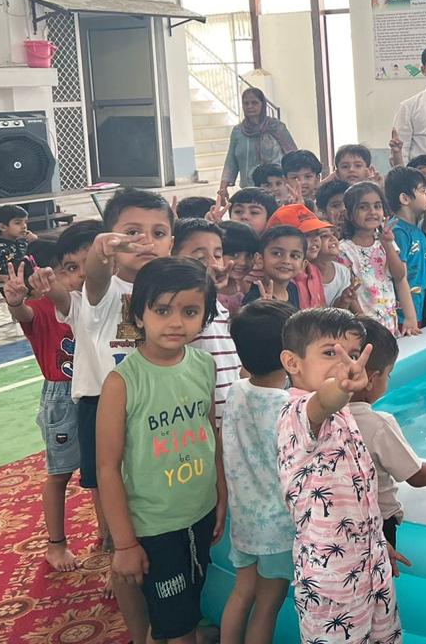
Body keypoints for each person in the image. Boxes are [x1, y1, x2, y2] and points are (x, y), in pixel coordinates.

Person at [96, 257, 226, 644]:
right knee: (176, 627)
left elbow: (210, 434)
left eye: (190, 311)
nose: (175, 322)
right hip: (154, 527)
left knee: (187, 608)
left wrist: (221, 494)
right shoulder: (122, 383)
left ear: (205, 316)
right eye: (162, 310)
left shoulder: (203, 365)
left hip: (200, 513)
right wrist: (124, 543)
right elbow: (107, 468)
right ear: (139, 314)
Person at [276, 309, 398, 643]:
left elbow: (356, 489)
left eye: (353, 355)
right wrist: (341, 388)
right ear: (292, 362)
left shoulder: (344, 413)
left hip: (371, 566)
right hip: (332, 582)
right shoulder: (297, 412)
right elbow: (323, 402)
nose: (346, 363)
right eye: (330, 352)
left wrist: (377, 541)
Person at [73, 188, 175, 555]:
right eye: (132, 232)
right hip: (103, 403)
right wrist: (102, 251)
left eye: (158, 233)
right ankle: (116, 542)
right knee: (109, 478)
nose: (146, 241)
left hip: (155, 402)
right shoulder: (104, 290)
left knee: (151, 475)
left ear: (171, 242)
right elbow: (96, 274)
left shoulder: (172, 289)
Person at [4, 222, 102, 571]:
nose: (78, 277)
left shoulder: (99, 305)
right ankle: (56, 544)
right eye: (68, 269)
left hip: (99, 392)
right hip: (62, 397)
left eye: (85, 267)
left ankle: (108, 536)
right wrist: (16, 302)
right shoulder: (44, 307)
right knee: (59, 474)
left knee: (103, 473)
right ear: (48, 276)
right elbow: (24, 314)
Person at [219, 300, 297, 644]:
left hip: (245, 519)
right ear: (290, 355)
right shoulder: (289, 407)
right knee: (268, 606)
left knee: (242, 593)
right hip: (278, 528)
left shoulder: (237, 391)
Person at [351, 319, 426, 548]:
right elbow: (418, 477)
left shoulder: (319, 416)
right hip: (378, 525)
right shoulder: (378, 424)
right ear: (372, 380)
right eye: (388, 375)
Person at [173, 219, 243, 422]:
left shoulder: (219, 307)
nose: (213, 263)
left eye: (218, 255)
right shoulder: (180, 308)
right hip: (200, 417)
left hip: (230, 415)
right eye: (200, 257)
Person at [340, 181, 420, 336]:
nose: (372, 212)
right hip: (365, 327)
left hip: (390, 323)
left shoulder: (385, 240)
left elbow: (399, 276)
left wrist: (388, 245)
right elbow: (349, 293)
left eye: (377, 206)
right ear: (349, 214)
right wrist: (366, 326)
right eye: (363, 207)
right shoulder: (344, 250)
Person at [385, 167, 426, 328]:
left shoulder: (416, 230)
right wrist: (409, 317)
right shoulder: (397, 231)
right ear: (405, 199)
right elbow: (400, 277)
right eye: (422, 191)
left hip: (416, 310)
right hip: (402, 317)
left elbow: (425, 265)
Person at [218, 87, 297, 197]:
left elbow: (293, 157)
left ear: (262, 104)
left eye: (254, 103)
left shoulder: (277, 127)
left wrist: (295, 184)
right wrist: (223, 187)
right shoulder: (238, 132)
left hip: (276, 190)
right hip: (250, 190)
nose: (250, 106)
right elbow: (231, 161)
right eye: (246, 103)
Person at [267, 203, 332, 310]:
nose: (316, 239)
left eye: (317, 234)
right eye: (306, 235)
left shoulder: (314, 271)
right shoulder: (282, 278)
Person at [0, 204, 38, 283]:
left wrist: (35, 242)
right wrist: (8, 278)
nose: (24, 226)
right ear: (2, 227)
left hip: (31, 279)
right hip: (12, 284)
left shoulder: (24, 242)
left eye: (25, 222)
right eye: (18, 223)